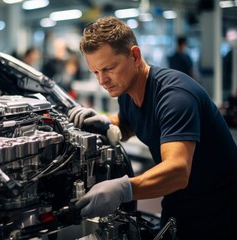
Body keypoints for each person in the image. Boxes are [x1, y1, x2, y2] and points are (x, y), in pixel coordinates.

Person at [68, 16, 237, 240]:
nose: (102, 80)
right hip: (177, 202)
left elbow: (178, 171)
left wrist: (123, 190)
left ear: (135, 56)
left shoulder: (175, 97)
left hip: (219, 211)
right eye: (95, 72)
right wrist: (108, 123)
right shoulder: (128, 93)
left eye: (108, 68)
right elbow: (129, 122)